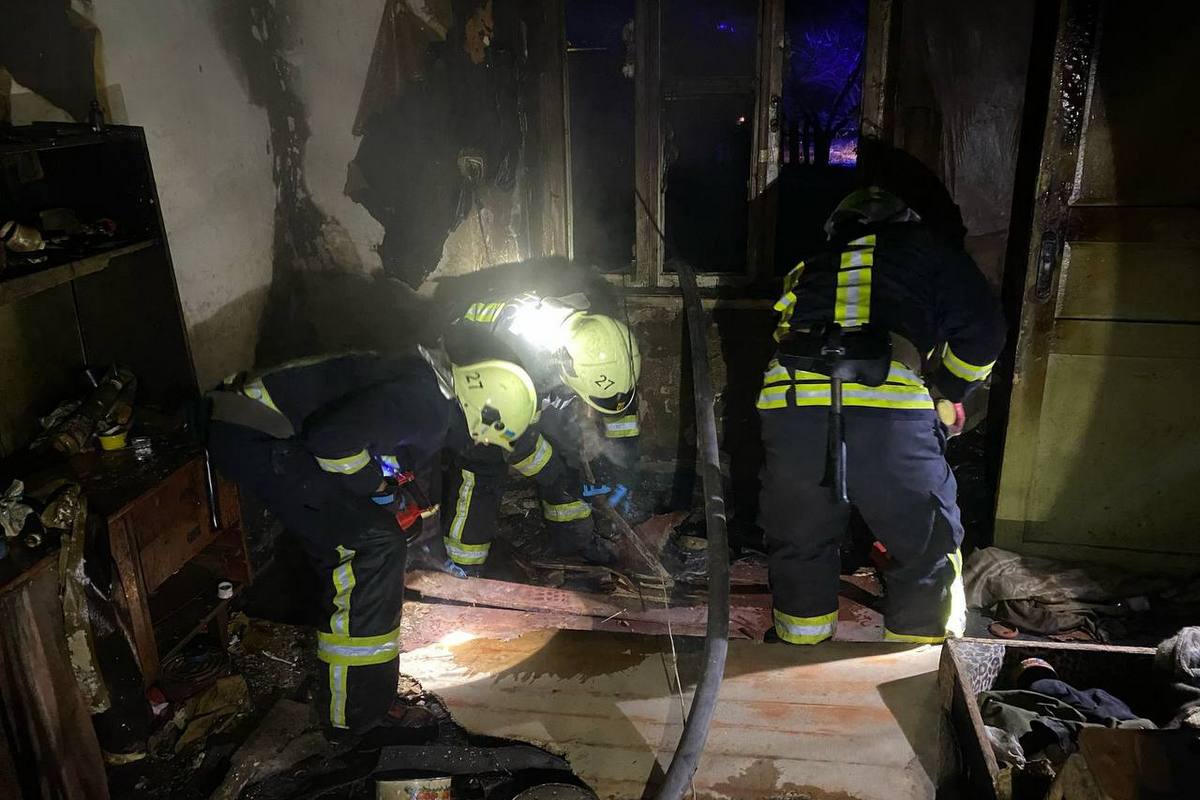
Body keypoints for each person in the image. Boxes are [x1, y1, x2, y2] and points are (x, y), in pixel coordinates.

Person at [206, 350, 538, 737]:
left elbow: (367, 434)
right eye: (485, 436)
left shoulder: (428, 391)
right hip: (256, 435)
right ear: (482, 411)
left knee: (375, 532)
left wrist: (386, 489)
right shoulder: (429, 408)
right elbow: (331, 442)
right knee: (370, 547)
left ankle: (365, 693)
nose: (479, 443)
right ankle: (354, 716)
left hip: (259, 428)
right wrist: (377, 488)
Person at [757, 187, 1005, 645]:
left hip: (791, 404)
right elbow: (984, 331)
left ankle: (798, 653)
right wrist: (950, 389)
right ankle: (914, 666)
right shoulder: (931, 252)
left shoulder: (811, 261)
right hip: (887, 406)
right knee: (925, 544)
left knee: (801, 540)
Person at [436, 290, 642, 572]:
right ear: (566, 369)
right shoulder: (518, 356)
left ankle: (574, 542)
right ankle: (462, 565)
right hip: (481, 385)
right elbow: (515, 441)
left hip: (536, 378)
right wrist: (559, 476)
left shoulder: (602, 343)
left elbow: (619, 403)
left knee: (569, 447)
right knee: (484, 465)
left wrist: (622, 464)